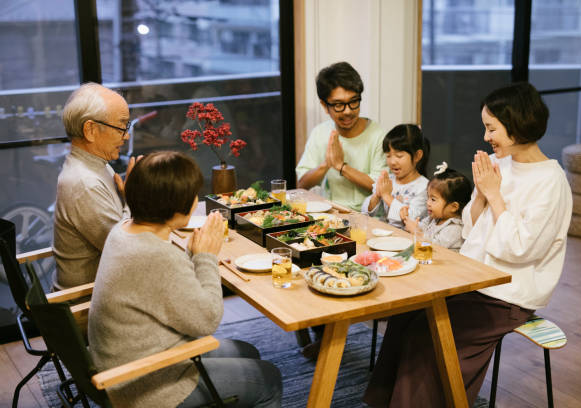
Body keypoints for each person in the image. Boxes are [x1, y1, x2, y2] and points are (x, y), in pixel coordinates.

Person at [363, 82, 572, 407]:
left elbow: (521, 249)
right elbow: (471, 231)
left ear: (516, 125)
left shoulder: (551, 181)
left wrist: (494, 195)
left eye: (492, 128)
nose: (486, 137)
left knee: (426, 336)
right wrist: (482, 197)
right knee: (404, 316)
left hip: (507, 294)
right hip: (472, 277)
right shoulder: (497, 164)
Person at [88, 151, 282, 408]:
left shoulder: (123, 229)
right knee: (269, 378)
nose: (195, 200)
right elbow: (206, 321)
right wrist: (206, 257)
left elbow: (163, 286)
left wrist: (193, 254)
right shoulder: (157, 255)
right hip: (145, 384)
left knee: (247, 352)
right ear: (176, 206)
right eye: (193, 195)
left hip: (126, 359)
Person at [53, 82, 138, 289]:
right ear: (90, 130)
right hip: (87, 302)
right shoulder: (84, 183)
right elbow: (125, 251)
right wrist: (134, 199)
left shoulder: (93, 164)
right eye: (121, 126)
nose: (126, 136)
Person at [296, 61, 387, 211]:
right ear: (325, 106)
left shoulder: (378, 135)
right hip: (328, 213)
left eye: (353, 102)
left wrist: (341, 167)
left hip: (366, 217)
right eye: (338, 105)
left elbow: (379, 187)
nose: (347, 111)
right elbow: (302, 184)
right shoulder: (320, 133)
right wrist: (326, 164)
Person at [361, 124, 430, 227]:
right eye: (388, 155)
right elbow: (366, 212)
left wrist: (386, 196)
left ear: (417, 156)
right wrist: (377, 195)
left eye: (399, 156)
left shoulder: (424, 187)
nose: (392, 162)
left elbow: (410, 219)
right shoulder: (389, 180)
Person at [400, 162, 472, 251]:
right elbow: (420, 227)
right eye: (428, 197)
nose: (428, 203)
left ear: (453, 207)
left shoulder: (455, 227)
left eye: (433, 199)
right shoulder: (434, 218)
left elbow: (435, 247)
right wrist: (407, 220)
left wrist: (417, 232)